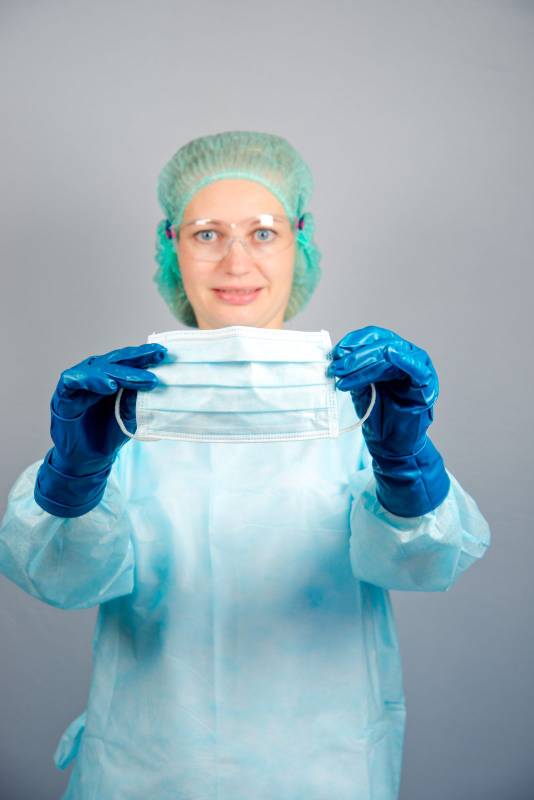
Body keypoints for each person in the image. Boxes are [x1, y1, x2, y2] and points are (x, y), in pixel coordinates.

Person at [0, 130, 491, 800]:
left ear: (299, 242)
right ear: (172, 245)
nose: (236, 261)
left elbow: (429, 562)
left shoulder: (359, 404)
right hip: (148, 768)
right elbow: (57, 577)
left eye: (263, 232)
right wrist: (72, 477)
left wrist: (405, 463)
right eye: (207, 234)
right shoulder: (118, 409)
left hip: (321, 767)